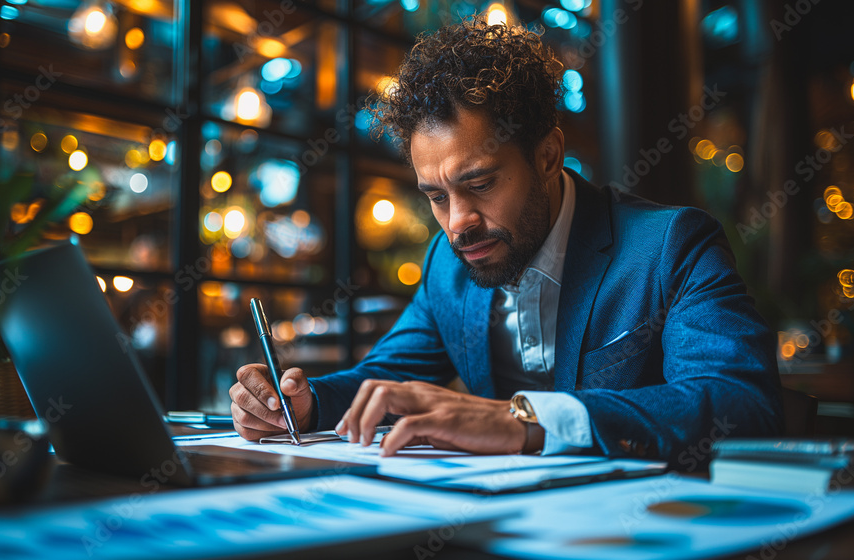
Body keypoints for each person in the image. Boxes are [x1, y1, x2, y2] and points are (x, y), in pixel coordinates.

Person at [230, 17, 782, 463]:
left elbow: (744, 404)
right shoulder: (447, 267)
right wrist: (300, 406)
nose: (456, 224)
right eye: (437, 196)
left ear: (546, 155)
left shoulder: (670, 247)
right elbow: (384, 380)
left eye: (480, 184)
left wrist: (523, 420)